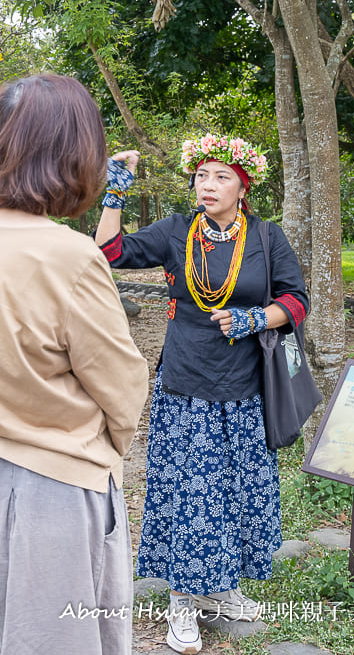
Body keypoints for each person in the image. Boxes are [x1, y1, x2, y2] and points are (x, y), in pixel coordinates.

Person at [0, 73, 149, 655]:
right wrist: (96, 444)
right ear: (76, 153)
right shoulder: (69, 255)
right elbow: (122, 389)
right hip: (49, 493)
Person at [95, 134, 309, 655]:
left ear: (243, 187)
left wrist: (255, 317)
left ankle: (223, 589)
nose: (207, 185)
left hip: (245, 389)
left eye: (221, 177)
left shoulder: (266, 237)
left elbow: (296, 301)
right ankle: (183, 604)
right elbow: (108, 252)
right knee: (193, 495)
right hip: (186, 384)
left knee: (235, 492)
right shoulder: (176, 232)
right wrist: (115, 192)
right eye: (202, 176)